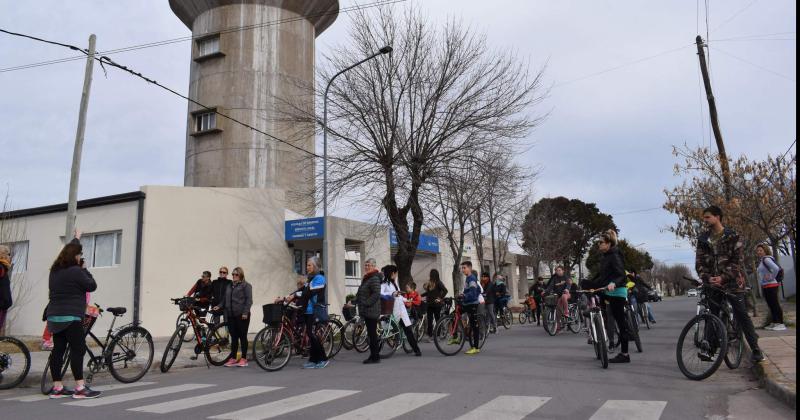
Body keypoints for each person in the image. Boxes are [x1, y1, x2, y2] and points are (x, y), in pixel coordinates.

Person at [696, 206, 763, 363]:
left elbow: (737, 261)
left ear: (717, 217)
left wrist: (723, 277)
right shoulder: (702, 239)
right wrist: (706, 277)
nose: (704, 220)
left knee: (741, 314)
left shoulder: (733, 236)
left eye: (707, 217)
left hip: (733, 282)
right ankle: (710, 350)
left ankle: (756, 349)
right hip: (713, 283)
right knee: (712, 315)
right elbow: (699, 262)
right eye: (704, 218)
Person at [46, 231, 100, 399]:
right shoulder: (77, 271)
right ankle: (80, 388)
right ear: (75, 256)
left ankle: (57, 388)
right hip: (71, 318)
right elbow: (92, 286)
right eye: (79, 255)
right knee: (78, 349)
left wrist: (77, 238)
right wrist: (85, 270)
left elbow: (70, 249)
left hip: (54, 317)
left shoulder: (54, 271)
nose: (80, 257)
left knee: (58, 350)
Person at [585, 230, 631, 364]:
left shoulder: (614, 255)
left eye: (601, 242)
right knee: (585, 284)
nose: (599, 244)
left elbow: (621, 274)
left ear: (609, 243)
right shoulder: (606, 256)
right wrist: (591, 284)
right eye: (598, 242)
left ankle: (625, 354)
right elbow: (602, 275)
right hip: (607, 290)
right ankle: (595, 318)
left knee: (621, 323)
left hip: (617, 291)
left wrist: (613, 283)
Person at [215, 267, 252, 367]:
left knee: (242, 336)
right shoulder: (230, 285)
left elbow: (249, 301)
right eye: (233, 274)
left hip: (242, 315)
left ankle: (244, 359)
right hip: (230, 315)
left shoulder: (246, 286)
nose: (234, 276)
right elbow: (225, 298)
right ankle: (233, 358)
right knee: (234, 337)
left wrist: (245, 312)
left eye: (236, 274)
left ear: (241, 275)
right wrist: (219, 306)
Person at [347, 258, 382, 364]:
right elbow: (360, 294)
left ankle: (375, 357)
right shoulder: (367, 278)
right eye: (365, 265)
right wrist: (352, 302)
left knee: (372, 335)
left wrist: (366, 303)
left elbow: (376, 294)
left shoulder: (374, 278)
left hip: (372, 310)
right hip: (366, 310)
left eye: (368, 265)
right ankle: (374, 356)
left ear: (374, 266)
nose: (366, 267)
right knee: (371, 335)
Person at [381, 265, 421, 356]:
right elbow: (381, 293)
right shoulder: (384, 284)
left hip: (401, 310)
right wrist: (391, 293)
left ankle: (417, 350)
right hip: (393, 309)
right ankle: (381, 348)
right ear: (392, 273)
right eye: (396, 273)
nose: (396, 275)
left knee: (408, 331)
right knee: (387, 330)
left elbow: (398, 296)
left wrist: (406, 300)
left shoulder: (395, 283)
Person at [756, 244, 786, 331]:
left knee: (775, 304)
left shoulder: (767, 259)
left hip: (771, 285)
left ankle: (781, 323)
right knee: (771, 304)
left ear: (765, 250)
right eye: (757, 251)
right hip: (766, 285)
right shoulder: (762, 260)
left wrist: (771, 277)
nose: (759, 252)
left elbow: (776, 268)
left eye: (761, 250)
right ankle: (775, 322)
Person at [460, 261, 481, 355]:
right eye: (462, 268)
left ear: (470, 268)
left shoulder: (471, 278)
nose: (463, 270)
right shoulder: (468, 278)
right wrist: (463, 295)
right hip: (468, 303)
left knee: (474, 325)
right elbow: (477, 290)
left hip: (472, 304)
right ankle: (456, 336)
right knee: (456, 313)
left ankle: (475, 347)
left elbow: (473, 293)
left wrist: (464, 296)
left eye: (464, 268)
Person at [421, 269, 448, 340]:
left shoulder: (439, 282)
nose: (430, 275)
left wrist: (440, 298)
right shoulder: (430, 283)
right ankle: (430, 335)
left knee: (437, 320)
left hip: (437, 305)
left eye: (430, 274)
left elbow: (445, 291)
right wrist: (420, 295)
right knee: (430, 320)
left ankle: (438, 336)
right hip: (429, 304)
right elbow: (428, 293)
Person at [0, 245, 12, 335]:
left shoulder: (3, 267)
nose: (10, 257)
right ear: (3, 255)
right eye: (9, 254)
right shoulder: (1, 267)